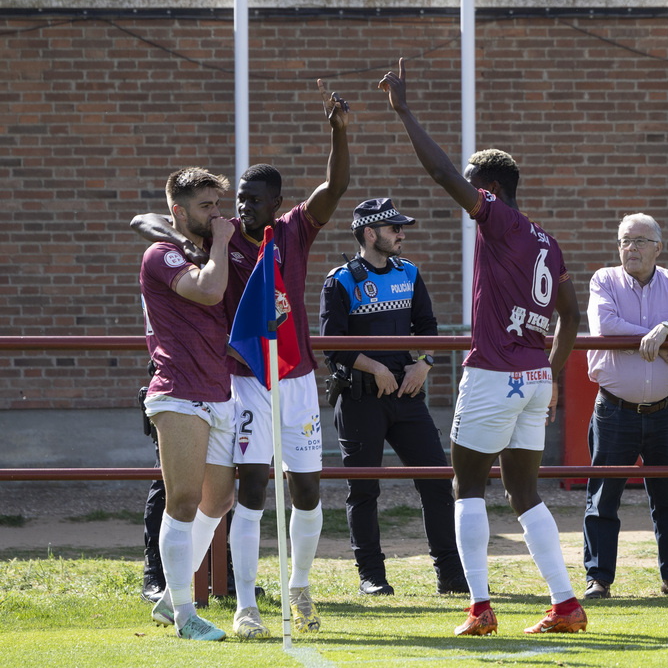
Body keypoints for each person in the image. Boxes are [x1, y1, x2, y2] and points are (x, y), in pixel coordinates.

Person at [131, 85, 350, 639]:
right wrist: (173, 224)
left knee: (302, 489)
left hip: (294, 378)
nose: (241, 207)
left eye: (253, 199)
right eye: (237, 200)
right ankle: (241, 604)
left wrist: (339, 132)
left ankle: (298, 584)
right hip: (238, 379)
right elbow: (162, 231)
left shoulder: (294, 230)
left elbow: (336, 187)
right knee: (242, 490)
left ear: (276, 203)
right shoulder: (217, 246)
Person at [380, 58, 586, 637]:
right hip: (532, 376)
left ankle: (479, 607)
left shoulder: (498, 221)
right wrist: (549, 375)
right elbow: (570, 315)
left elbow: (445, 175)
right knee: (525, 493)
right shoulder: (548, 242)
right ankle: (565, 604)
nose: (470, 194)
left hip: (494, 372)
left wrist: (404, 113)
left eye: (477, 186)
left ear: (490, 191)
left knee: (466, 486)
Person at [319, 197, 468, 597]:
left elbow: (427, 325)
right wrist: (375, 367)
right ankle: (372, 575)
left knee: (437, 481)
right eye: (394, 229)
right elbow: (332, 345)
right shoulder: (340, 280)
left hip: (407, 397)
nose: (401, 235)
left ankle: (451, 575)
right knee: (364, 489)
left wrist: (425, 362)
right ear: (370, 234)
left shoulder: (410, 272)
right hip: (359, 399)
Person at [581, 213, 668, 600]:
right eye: (624, 241)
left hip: (666, 410)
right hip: (615, 409)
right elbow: (605, 325)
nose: (630, 248)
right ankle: (598, 579)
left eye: (638, 241)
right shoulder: (604, 279)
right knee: (603, 499)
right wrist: (657, 338)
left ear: (657, 248)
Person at [138, 167, 236, 641]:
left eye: (219, 205)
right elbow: (208, 290)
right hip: (176, 391)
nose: (217, 215)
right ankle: (183, 611)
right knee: (182, 501)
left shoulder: (204, 252)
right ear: (178, 211)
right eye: (206, 207)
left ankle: (166, 600)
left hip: (220, 390)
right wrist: (220, 241)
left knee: (219, 499)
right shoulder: (161, 254)